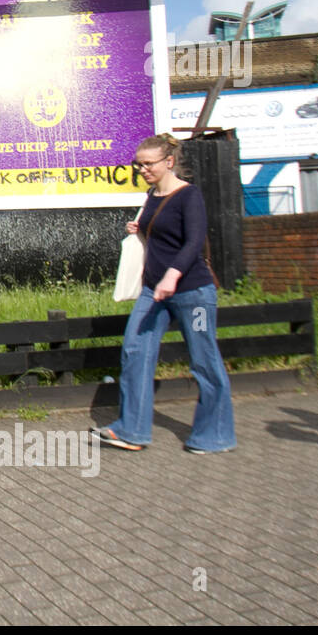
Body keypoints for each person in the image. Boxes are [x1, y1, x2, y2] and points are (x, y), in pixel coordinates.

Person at [92, 133, 237, 455]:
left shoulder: (189, 195)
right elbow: (161, 236)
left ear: (168, 161)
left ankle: (214, 436)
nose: (142, 170)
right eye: (138, 165)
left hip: (192, 292)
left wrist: (172, 276)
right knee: (135, 351)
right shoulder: (151, 196)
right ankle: (132, 430)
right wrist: (138, 229)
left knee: (204, 361)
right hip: (152, 291)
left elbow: (193, 241)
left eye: (148, 164)